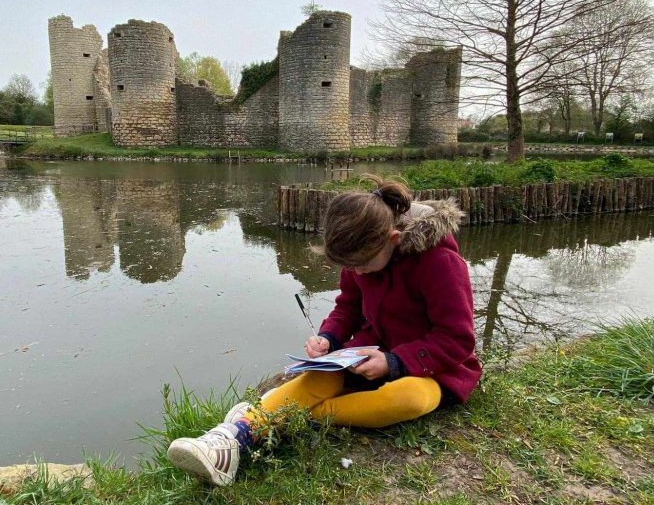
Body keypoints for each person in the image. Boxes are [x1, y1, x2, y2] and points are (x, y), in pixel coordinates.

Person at [167, 174, 482, 486]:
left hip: (431, 370)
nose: (357, 272)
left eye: (363, 265)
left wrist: (394, 363)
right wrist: (329, 337)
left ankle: (283, 416)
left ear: (393, 239)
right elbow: (348, 307)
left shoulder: (441, 263)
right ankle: (228, 441)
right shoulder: (362, 255)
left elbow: (457, 339)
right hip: (369, 353)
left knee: (410, 399)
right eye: (351, 267)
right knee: (320, 375)